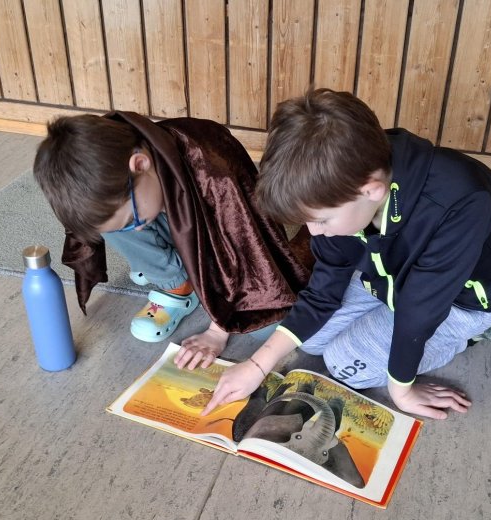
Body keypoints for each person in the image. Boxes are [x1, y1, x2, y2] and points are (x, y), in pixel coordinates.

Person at [200, 89, 491, 420]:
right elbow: (323, 291)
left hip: (461, 299)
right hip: (388, 274)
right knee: (311, 341)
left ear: (371, 191)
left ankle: (474, 333)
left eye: (321, 220)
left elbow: (420, 310)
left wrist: (402, 390)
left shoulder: (459, 200)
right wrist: (256, 365)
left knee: (344, 365)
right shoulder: (347, 184)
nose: (313, 232)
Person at [33, 111, 310, 359]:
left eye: (133, 220)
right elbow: (115, 220)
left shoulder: (213, 176)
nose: (137, 229)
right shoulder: (107, 173)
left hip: (220, 235)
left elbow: (241, 248)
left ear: (140, 164)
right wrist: (126, 224)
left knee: (266, 328)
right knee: (110, 223)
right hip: (169, 215)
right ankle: (176, 283)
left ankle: (175, 268)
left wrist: (217, 331)